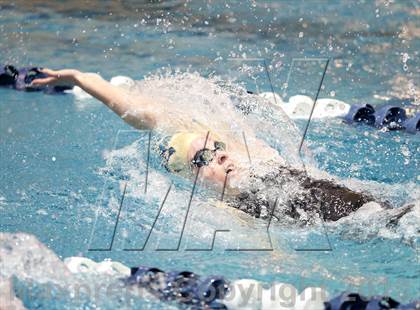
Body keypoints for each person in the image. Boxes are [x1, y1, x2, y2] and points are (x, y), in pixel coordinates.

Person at [31, 68, 409, 225]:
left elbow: (140, 112)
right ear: (191, 178)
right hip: (370, 225)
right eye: (202, 159)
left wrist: (83, 78)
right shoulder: (224, 209)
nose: (221, 155)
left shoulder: (257, 156)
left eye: (218, 146)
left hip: (378, 207)